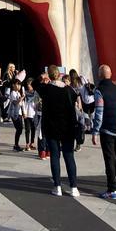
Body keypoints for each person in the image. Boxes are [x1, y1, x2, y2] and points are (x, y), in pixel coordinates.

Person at [37, 66, 79, 197]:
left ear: (49, 75)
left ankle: (57, 186)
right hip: (68, 127)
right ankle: (74, 187)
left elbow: (34, 84)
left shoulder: (47, 89)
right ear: (60, 75)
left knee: (55, 156)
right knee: (69, 156)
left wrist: (43, 78)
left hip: (52, 127)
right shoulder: (69, 90)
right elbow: (75, 100)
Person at [92, 64, 116, 200]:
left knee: (110, 159)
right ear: (111, 74)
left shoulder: (99, 91)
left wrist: (95, 131)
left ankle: (112, 189)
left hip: (107, 130)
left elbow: (99, 113)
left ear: (100, 75)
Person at [21, 79, 39, 151]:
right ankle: (27, 144)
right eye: (28, 84)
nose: (29, 86)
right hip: (27, 114)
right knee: (27, 129)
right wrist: (24, 112)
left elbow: (37, 103)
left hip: (34, 114)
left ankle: (32, 143)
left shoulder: (36, 93)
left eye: (30, 84)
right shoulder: (24, 93)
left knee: (33, 129)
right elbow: (23, 103)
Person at [8, 79, 24, 151]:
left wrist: (23, 112)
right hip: (15, 114)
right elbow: (15, 103)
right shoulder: (13, 93)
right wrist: (21, 98)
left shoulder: (18, 93)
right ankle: (16, 145)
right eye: (17, 84)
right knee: (19, 129)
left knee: (20, 129)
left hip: (19, 113)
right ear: (13, 85)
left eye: (19, 84)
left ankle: (16, 145)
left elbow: (21, 104)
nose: (19, 86)